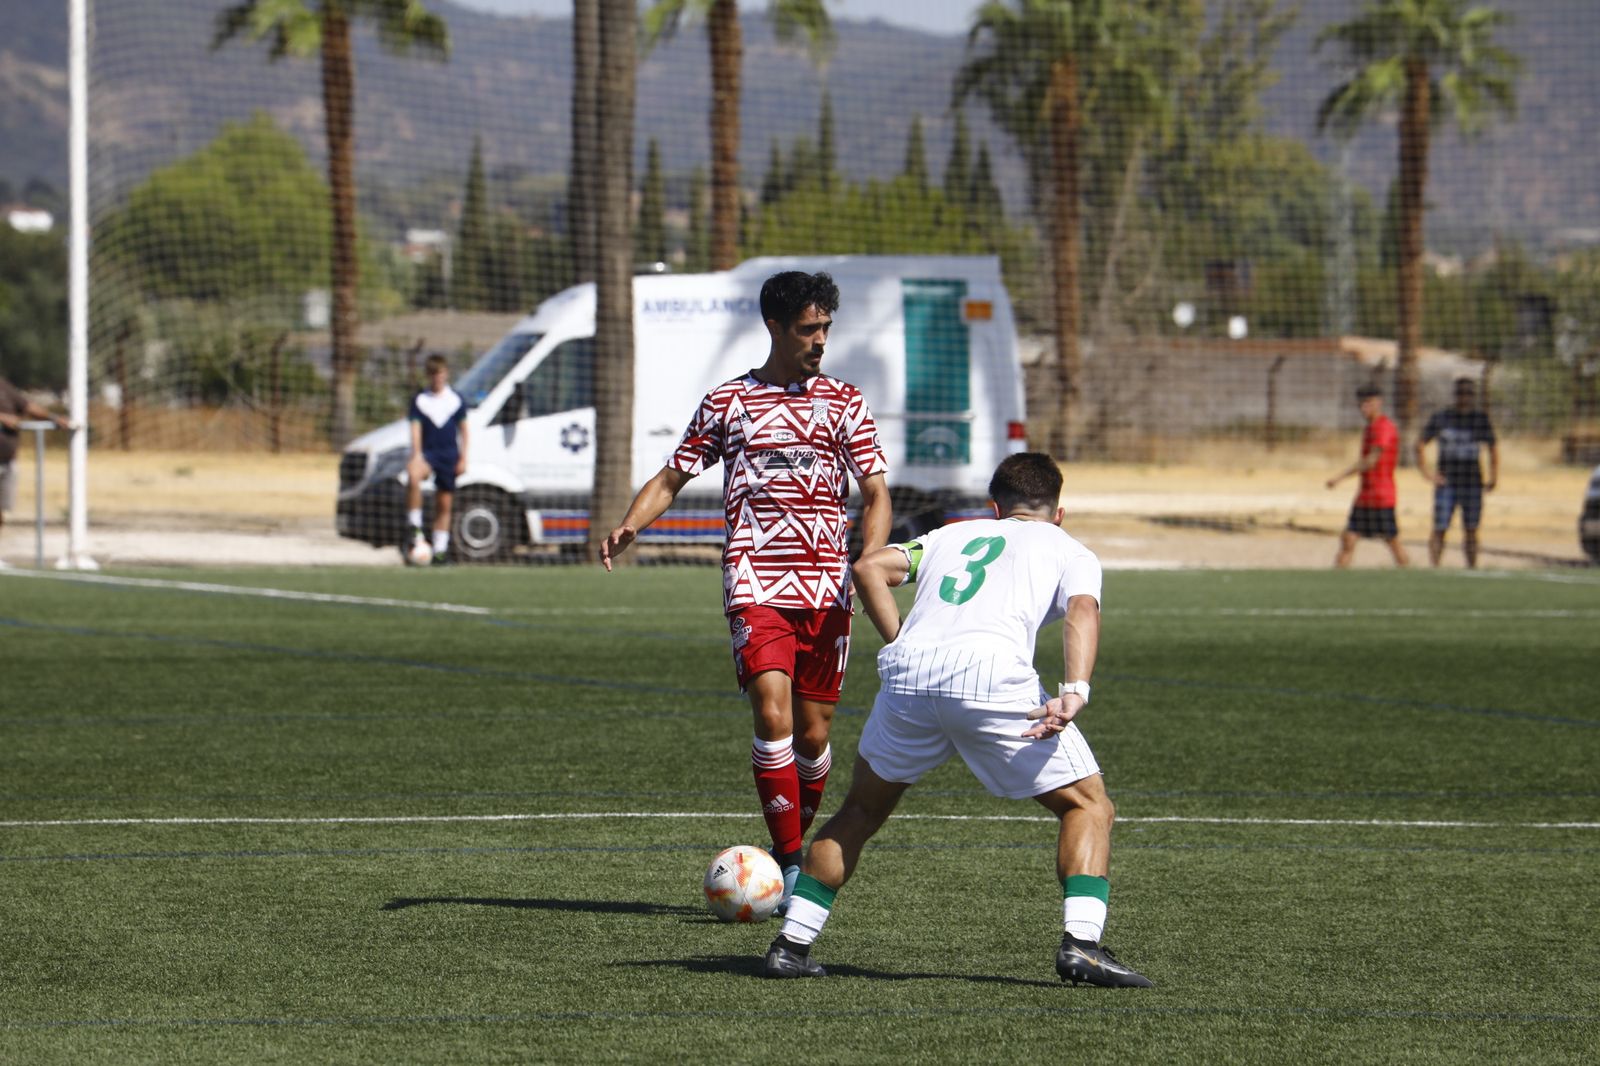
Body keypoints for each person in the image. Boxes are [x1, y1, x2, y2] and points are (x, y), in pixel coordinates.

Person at [762, 452, 1152, 988]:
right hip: (991, 680)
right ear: (1058, 512)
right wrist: (1075, 691)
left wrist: (901, 641)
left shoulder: (951, 534)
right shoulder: (1068, 548)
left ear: (995, 508)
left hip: (909, 678)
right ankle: (1082, 946)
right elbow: (1083, 611)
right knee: (1088, 805)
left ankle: (791, 945)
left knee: (859, 811)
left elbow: (868, 567)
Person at [600, 271, 891, 906]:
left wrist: (868, 556)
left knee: (814, 736)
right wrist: (630, 523)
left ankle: (791, 840)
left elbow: (874, 492)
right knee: (771, 712)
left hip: (827, 586)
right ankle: (790, 868)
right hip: (754, 577)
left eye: (826, 329)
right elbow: (672, 477)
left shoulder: (844, 401)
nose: (820, 341)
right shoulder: (729, 403)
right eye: (809, 329)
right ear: (776, 328)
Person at [1415, 376, 1498, 569]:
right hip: (1447, 482)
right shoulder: (1442, 418)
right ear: (1455, 395)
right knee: (1440, 527)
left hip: (1472, 482)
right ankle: (1434, 567)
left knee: (1471, 528)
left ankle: (1472, 567)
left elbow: (1493, 447)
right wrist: (1426, 472)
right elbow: (1420, 443)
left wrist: (1494, 476)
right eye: (1461, 393)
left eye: (1469, 393)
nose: (1465, 397)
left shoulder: (1480, 419)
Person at [1325, 384, 1408, 568]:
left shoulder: (1384, 427)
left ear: (1379, 402)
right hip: (1365, 496)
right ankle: (1336, 580)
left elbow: (1371, 460)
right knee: (1348, 538)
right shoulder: (1370, 428)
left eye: (1368, 403)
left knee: (1392, 541)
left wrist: (1340, 477)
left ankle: (1408, 574)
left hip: (1381, 496)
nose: (1364, 408)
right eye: (1361, 404)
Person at [0, 375, 73, 568]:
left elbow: (27, 406)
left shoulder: (3, 385)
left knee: (2, 511)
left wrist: (54, 418)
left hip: (7, 460)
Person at [405, 353, 470, 565]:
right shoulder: (420, 400)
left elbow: (464, 430)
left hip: (449, 455)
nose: (437, 378)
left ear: (446, 374)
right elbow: (415, 429)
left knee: (444, 503)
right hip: (428, 453)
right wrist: (416, 454)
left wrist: (463, 458)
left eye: (440, 373)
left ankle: (440, 551)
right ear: (428, 376)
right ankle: (414, 527)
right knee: (413, 476)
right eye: (433, 374)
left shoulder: (456, 400)